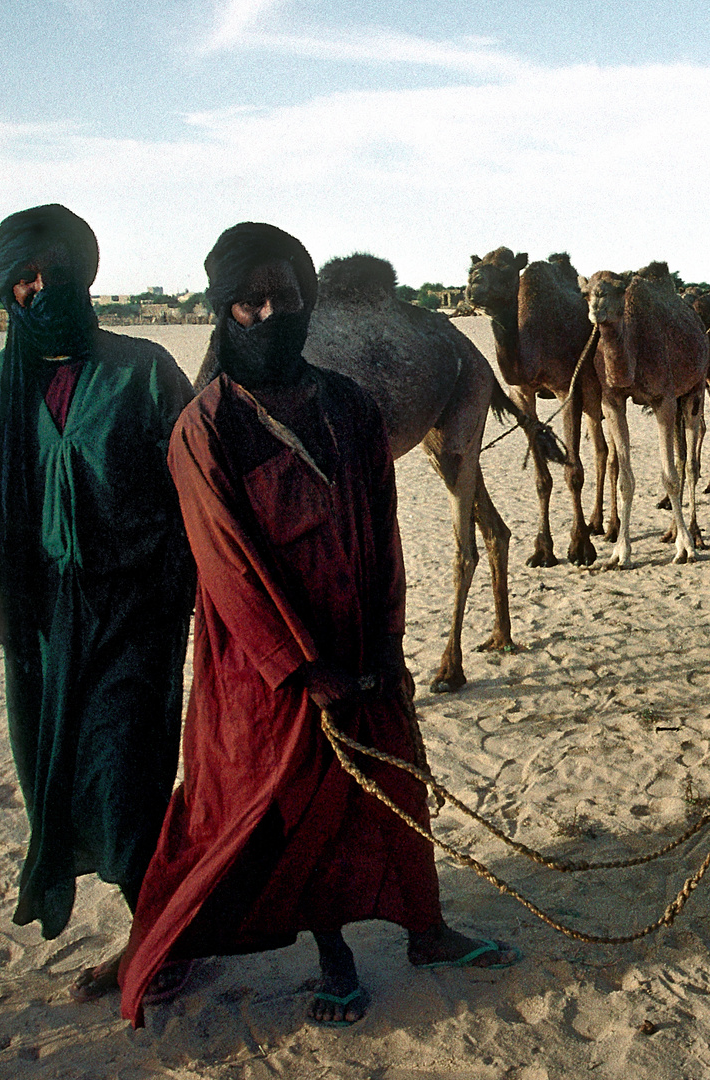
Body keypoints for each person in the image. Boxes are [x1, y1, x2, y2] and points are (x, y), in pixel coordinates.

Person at [118, 223, 516, 1028]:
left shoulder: (347, 408)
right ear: (223, 309)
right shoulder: (205, 428)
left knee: (391, 781)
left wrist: (384, 642)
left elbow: (385, 528)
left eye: (285, 298)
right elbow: (228, 568)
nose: (269, 315)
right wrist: (303, 668)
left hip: (361, 642)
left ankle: (426, 929)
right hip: (267, 666)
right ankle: (329, 955)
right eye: (249, 302)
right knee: (283, 803)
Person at [0, 204, 196, 1001]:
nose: (41, 289)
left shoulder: (143, 366)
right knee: (53, 770)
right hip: (41, 614)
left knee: (125, 771)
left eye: (53, 275)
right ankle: (159, 926)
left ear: (81, 277)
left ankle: (154, 939)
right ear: (6, 292)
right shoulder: (2, 378)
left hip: (135, 606)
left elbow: (199, 472)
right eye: (24, 280)